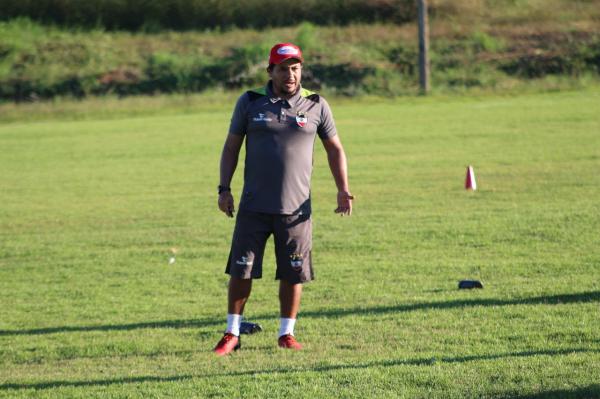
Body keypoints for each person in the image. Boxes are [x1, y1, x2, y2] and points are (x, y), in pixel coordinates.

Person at [214, 43, 353, 356]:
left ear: (301, 69)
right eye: (282, 68)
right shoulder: (250, 102)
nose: (290, 74)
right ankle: (232, 332)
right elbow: (231, 147)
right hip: (253, 207)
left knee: (293, 273)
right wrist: (224, 188)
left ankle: (286, 333)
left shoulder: (316, 104)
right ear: (270, 71)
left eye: (295, 67)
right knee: (241, 271)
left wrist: (342, 188)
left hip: (296, 210)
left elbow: (335, 149)